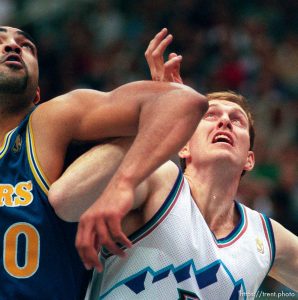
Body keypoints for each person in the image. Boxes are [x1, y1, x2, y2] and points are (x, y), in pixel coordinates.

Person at [50, 29, 298, 299]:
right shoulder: (161, 181)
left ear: (249, 159)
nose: (225, 121)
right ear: (183, 143)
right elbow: (66, 199)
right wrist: (160, 117)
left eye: (236, 120)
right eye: (210, 115)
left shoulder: (265, 235)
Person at [0, 26, 208, 299]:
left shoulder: (48, 121)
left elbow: (184, 102)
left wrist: (123, 185)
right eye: (1, 40)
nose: (14, 46)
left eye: (26, 45)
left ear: (37, 94)